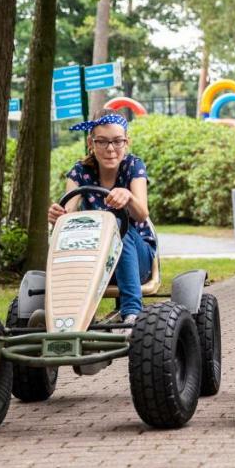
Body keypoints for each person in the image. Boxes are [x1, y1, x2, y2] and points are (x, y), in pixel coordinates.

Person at [47, 111, 154, 327]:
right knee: (71, 235)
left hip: (138, 259)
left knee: (116, 226)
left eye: (117, 141)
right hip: (94, 262)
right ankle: (63, 316)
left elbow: (142, 213)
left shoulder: (133, 166)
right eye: (102, 142)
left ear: (126, 142)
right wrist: (58, 216)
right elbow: (68, 215)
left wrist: (129, 197)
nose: (110, 149)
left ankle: (132, 312)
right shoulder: (80, 172)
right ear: (91, 143)